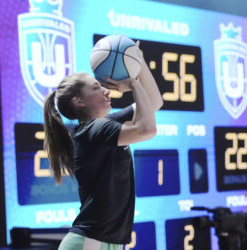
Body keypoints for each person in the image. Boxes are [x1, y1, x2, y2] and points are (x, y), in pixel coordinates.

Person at [43, 45, 163, 250]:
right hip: (88, 244)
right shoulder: (96, 129)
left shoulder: (101, 126)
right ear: (78, 101)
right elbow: (148, 129)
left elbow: (154, 102)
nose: (106, 91)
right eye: (96, 87)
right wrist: (133, 84)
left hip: (104, 243)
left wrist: (137, 61)